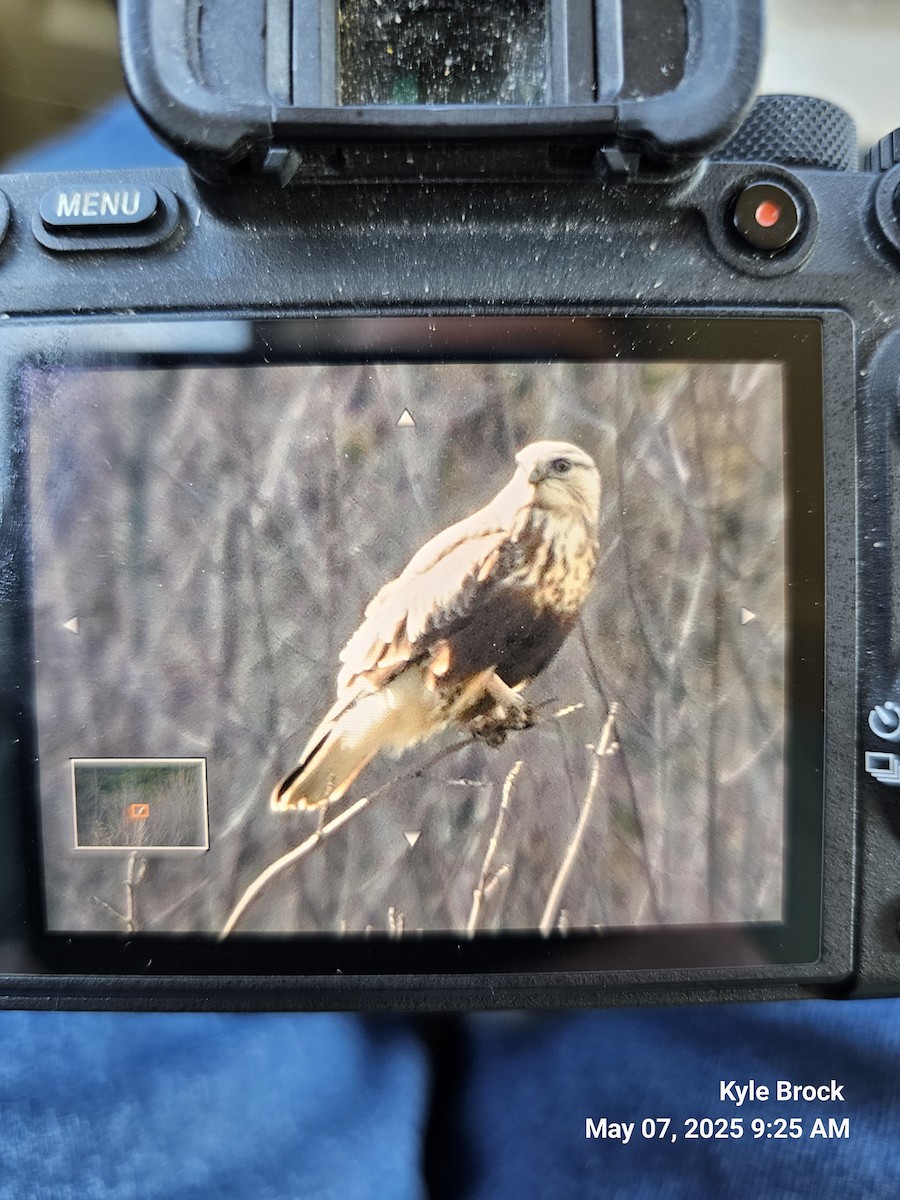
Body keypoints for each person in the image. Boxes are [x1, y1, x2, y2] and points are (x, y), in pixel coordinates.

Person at [2, 97, 899, 1200]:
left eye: (558, 468)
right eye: (529, 466)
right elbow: (435, 635)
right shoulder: (494, 537)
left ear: (591, 481)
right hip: (390, 690)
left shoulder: (571, 557)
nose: (535, 481)